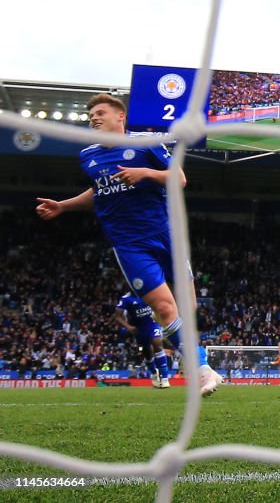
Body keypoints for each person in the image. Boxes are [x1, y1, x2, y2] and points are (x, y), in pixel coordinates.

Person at [35, 93, 223, 397]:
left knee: (189, 311)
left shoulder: (146, 142)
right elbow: (99, 191)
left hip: (166, 235)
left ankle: (200, 366)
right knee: (164, 308)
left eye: (100, 113)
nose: (94, 118)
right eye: (91, 115)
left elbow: (180, 179)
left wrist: (145, 172)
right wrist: (63, 206)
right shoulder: (89, 156)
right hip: (129, 246)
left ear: (120, 117)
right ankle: (203, 371)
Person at [114, 292, 169, 389]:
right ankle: (154, 373)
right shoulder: (126, 299)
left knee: (157, 343)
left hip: (152, 323)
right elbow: (118, 316)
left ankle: (165, 378)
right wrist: (128, 327)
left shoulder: (148, 290)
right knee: (146, 351)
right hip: (138, 328)